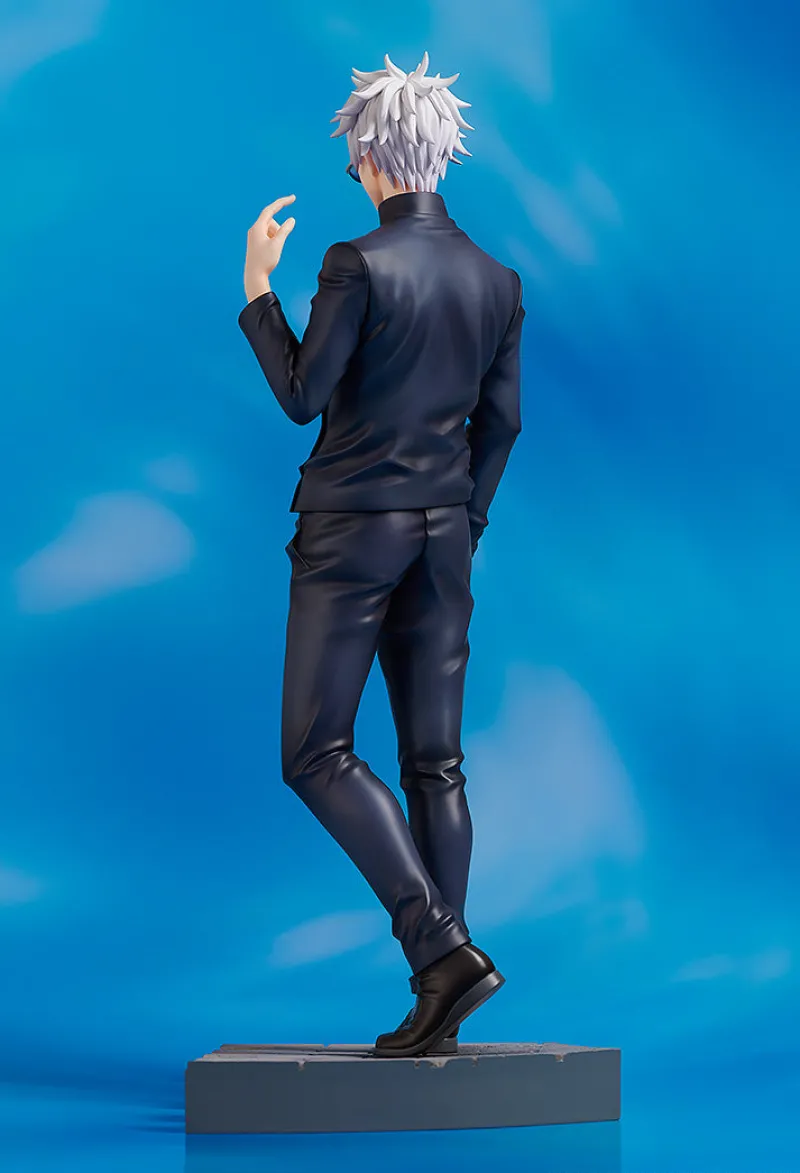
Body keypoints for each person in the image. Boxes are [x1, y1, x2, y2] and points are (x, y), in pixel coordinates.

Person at [238, 51, 524, 1058]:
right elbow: (502, 424)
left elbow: (301, 396)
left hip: (353, 530)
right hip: (445, 534)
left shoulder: (354, 264)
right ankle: (442, 992)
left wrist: (258, 290)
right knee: (435, 765)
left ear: (369, 154)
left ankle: (441, 954)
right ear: (441, 152)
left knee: (315, 751)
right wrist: (464, 523)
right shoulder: (496, 280)